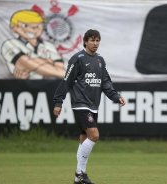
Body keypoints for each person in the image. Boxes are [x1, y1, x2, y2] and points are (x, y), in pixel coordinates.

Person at [53, 29, 126, 184]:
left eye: (97, 40)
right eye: (92, 40)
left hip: (93, 105)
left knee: (84, 139)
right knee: (94, 135)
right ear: (85, 41)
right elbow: (67, 81)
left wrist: (116, 96)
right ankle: (80, 173)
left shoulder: (100, 60)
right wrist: (59, 101)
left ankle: (78, 177)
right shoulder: (77, 59)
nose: (95, 43)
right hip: (80, 104)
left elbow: (106, 82)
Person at [1, 10, 66, 79]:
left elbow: (60, 67)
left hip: (49, 87)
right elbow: (26, 63)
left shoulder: (49, 46)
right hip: (22, 87)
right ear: (14, 28)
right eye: (25, 25)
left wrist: (33, 63)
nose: (33, 29)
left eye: (38, 25)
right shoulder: (10, 44)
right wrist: (48, 62)